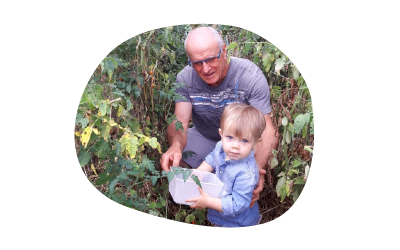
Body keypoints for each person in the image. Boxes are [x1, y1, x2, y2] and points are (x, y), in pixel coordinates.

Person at [160, 26, 278, 207]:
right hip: (205, 136)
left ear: (224, 51)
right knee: (176, 163)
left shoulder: (249, 76)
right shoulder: (185, 78)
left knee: (243, 182)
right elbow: (180, 121)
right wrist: (175, 146)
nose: (205, 69)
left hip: (241, 142)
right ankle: (191, 204)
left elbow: (267, 129)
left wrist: (258, 170)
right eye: (197, 63)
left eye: (210, 59)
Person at [185, 103, 265, 227]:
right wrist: (198, 173)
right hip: (219, 215)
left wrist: (208, 202)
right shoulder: (221, 147)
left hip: (238, 224)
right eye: (230, 137)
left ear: (255, 143)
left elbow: (237, 205)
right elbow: (213, 158)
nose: (235, 146)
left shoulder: (246, 173)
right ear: (221, 134)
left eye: (244, 140)